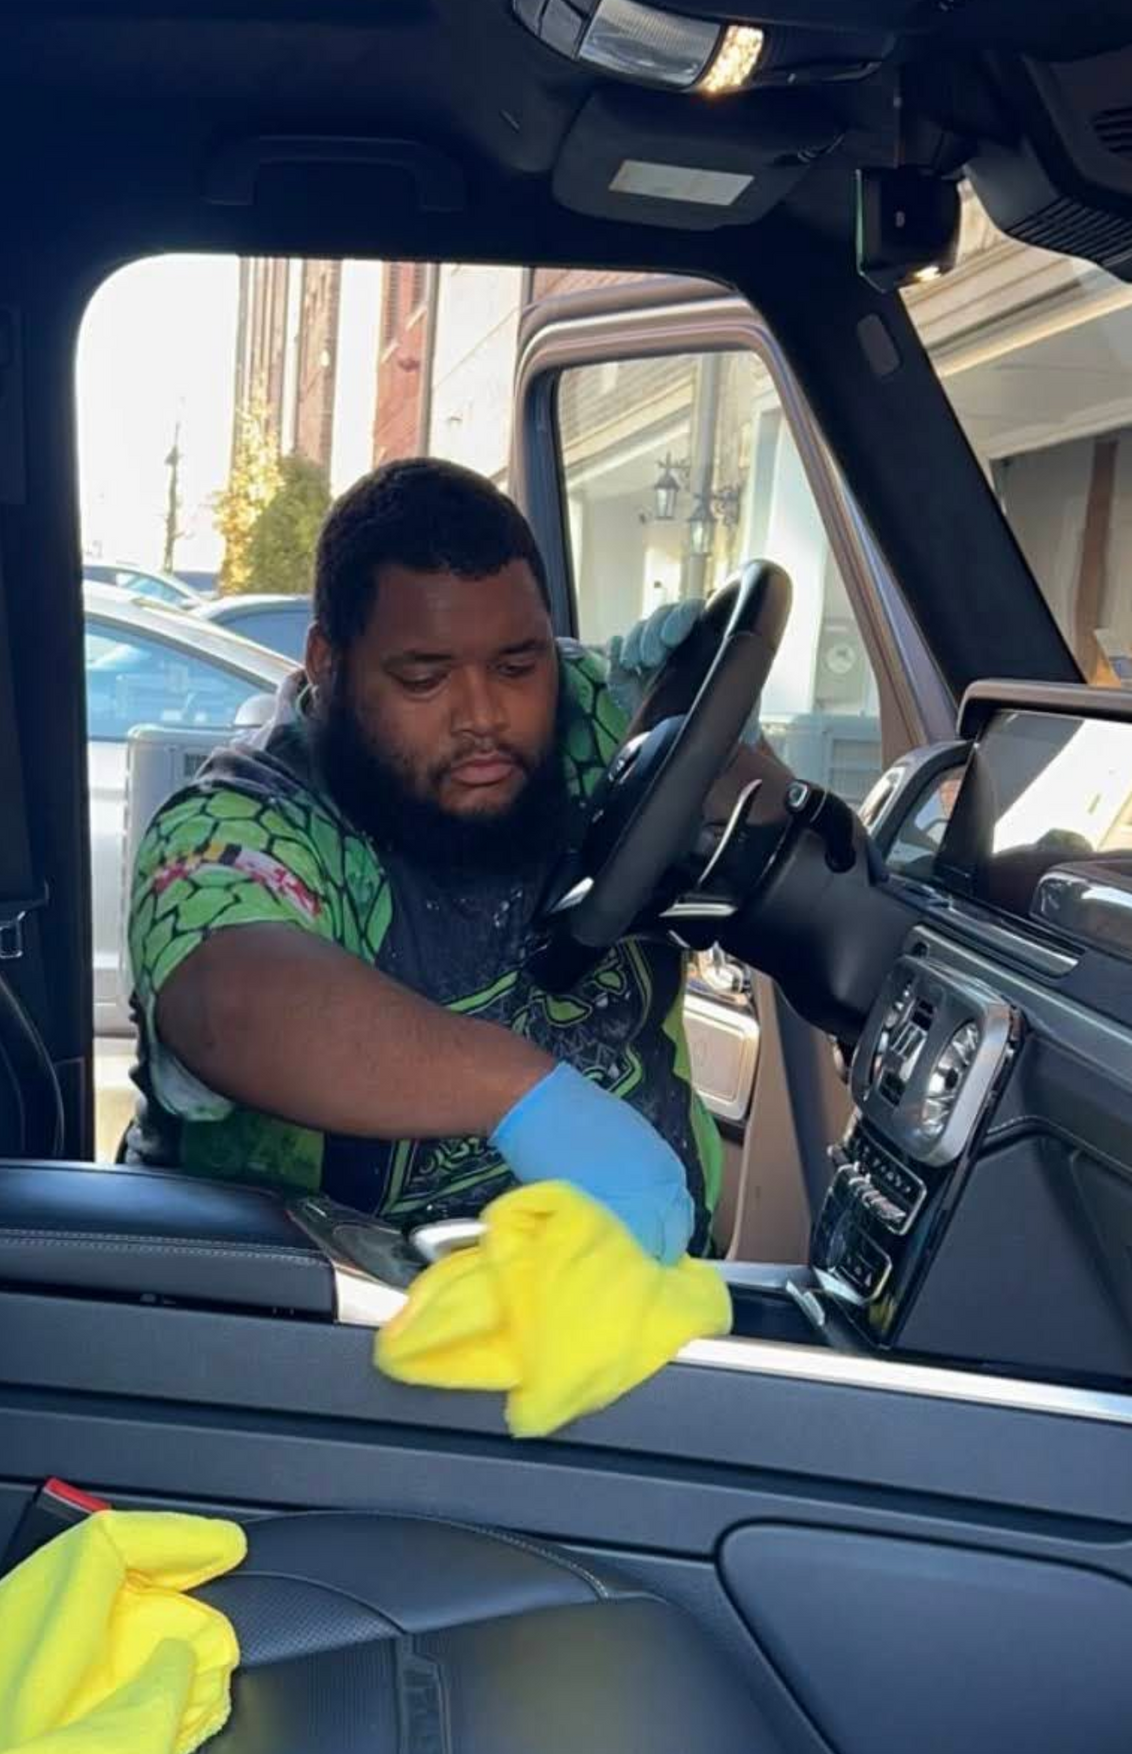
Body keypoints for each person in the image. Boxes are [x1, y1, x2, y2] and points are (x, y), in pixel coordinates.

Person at [125, 458, 741, 1261]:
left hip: (643, 1303)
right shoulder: (236, 819)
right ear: (326, 661)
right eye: (425, 678)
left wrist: (729, 749)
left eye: (518, 666)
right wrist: (528, 1100)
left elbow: (763, 845)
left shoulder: (600, 716)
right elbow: (230, 1005)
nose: (483, 715)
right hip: (337, 1332)